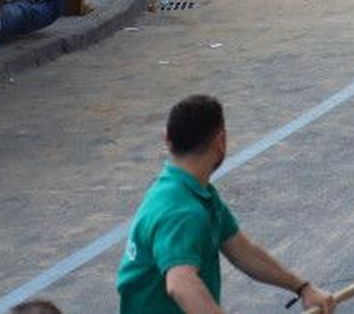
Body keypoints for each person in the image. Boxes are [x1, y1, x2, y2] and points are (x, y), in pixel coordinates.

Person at [117, 94, 337, 314]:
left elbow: (242, 250)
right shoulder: (183, 211)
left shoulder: (191, 191)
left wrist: (303, 288)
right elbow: (180, 283)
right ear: (220, 141)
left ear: (167, 139)